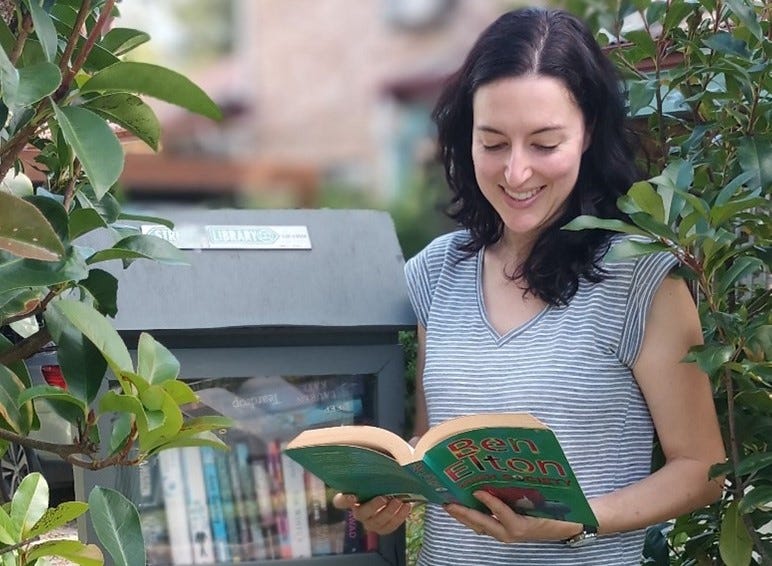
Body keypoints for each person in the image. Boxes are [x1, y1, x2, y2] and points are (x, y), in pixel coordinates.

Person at [334, 6, 725, 565]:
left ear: (588, 132)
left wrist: (576, 523)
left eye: (544, 144)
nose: (516, 173)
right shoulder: (435, 272)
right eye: (493, 143)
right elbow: (432, 444)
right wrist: (395, 492)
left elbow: (701, 469)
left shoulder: (641, 278)